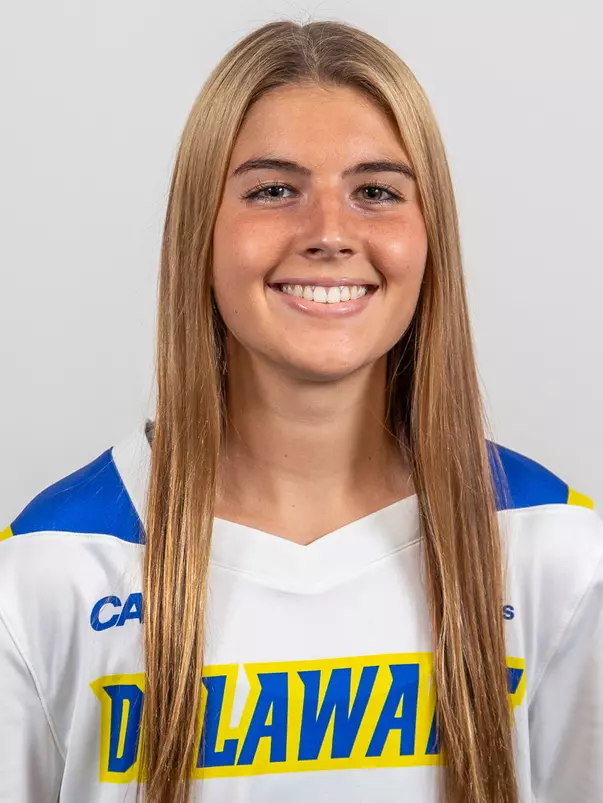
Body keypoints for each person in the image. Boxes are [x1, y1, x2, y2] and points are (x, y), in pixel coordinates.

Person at [0, 18, 601, 803]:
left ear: (430, 239)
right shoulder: (51, 567)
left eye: (376, 192)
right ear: (200, 235)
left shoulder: (552, 548)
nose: (327, 233)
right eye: (273, 190)